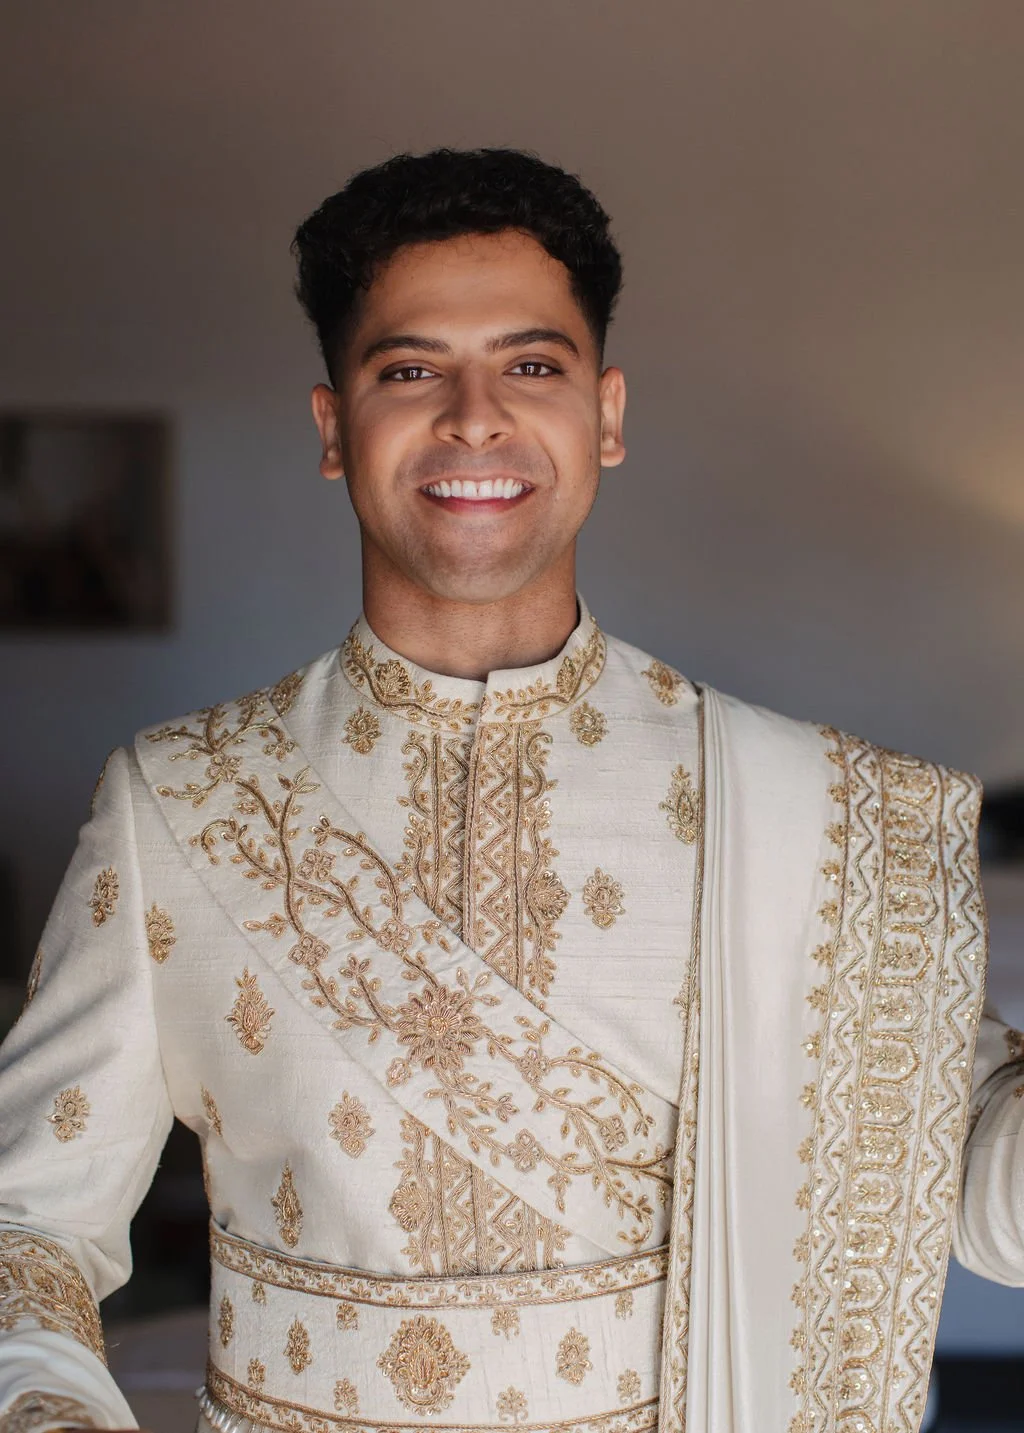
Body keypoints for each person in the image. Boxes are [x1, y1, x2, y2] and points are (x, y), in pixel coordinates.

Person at [0, 146, 1012, 1433]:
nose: (474, 414)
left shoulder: (811, 815)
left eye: (532, 365)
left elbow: (979, 1195)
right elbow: (26, 1214)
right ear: (333, 430)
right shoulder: (177, 801)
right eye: (410, 368)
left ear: (605, 416)